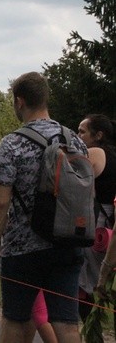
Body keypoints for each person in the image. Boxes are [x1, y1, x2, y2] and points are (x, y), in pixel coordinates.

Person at [0, 72, 87, 343]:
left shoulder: (12, 142)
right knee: (67, 322)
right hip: (68, 241)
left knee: (16, 318)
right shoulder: (75, 139)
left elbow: (0, 201)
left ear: (19, 101)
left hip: (22, 247)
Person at [77, 114, 116, 322]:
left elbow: (82, 194)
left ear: (98, 135)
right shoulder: (112, 155)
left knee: (85, 287)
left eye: (82, 131)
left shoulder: (94, 153)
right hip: (111, 228)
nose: (77, 135)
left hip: (98, 228)